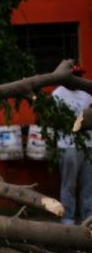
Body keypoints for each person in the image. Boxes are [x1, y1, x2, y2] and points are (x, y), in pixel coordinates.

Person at [52, 65, 92, 225]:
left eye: (80, 76)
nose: (78, 79)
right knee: (68, 184)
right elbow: (54, 120)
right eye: (75, 76)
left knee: (88, 184)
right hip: (67, 145)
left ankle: (87, 219)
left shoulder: (88, 94)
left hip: (88, 144)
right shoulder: (57, 94)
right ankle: (67, 219)